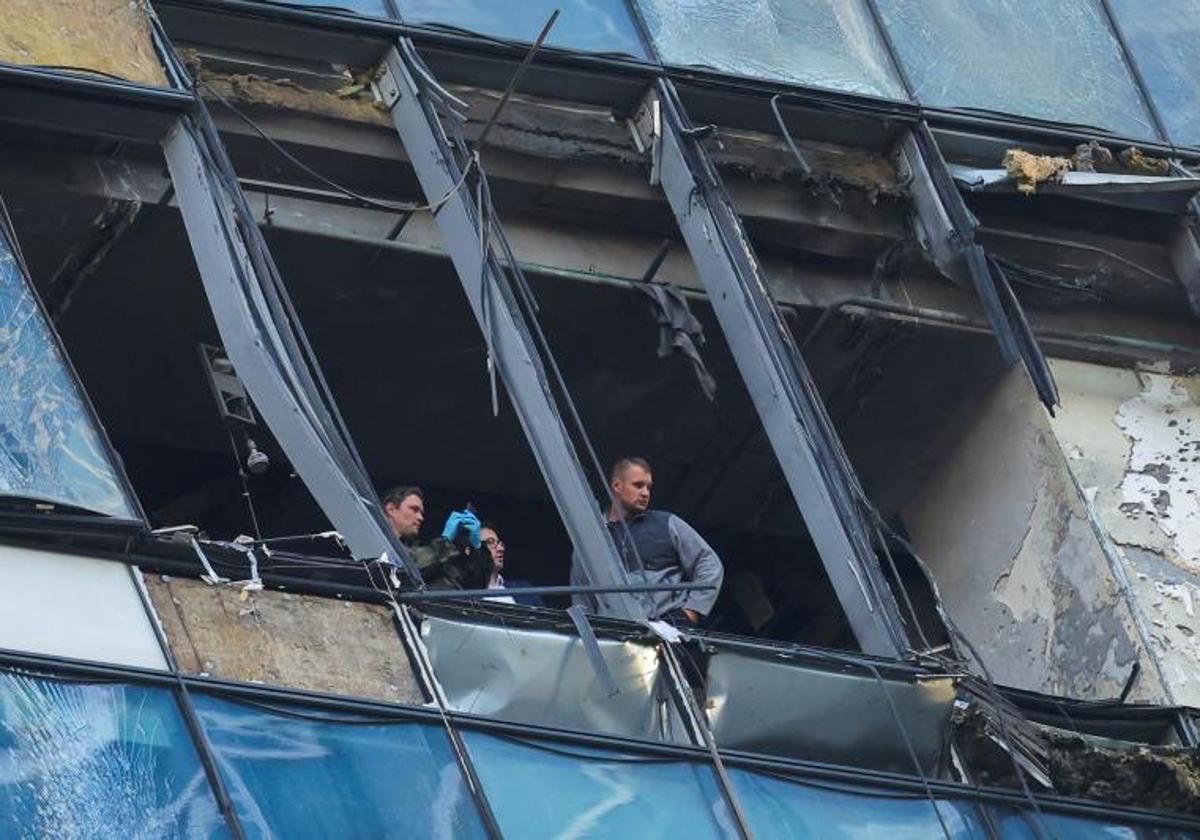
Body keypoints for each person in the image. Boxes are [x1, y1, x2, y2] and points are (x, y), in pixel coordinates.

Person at [570, 457, 723, 624]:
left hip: (668, 635)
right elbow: (582, 596)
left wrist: (692, 611)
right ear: (616, 486)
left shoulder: (668, 523)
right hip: (613, 638)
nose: (645, 493)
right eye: (638, 485)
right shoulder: (591, 538)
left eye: (649, 487)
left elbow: (709, 564)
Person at [381, 485, 492, 589]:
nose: (420, 518)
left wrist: (476, 548)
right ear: (391, 509)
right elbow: (409, 568)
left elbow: (474, 585)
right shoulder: (375, 541)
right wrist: (445, 541)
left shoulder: (422, 552)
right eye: (414, 509)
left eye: (421, 513)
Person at [481, 523, 544, 607]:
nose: (501, 548)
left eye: (500, 544)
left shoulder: (524, 590)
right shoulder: (462, 594)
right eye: (491, 542)